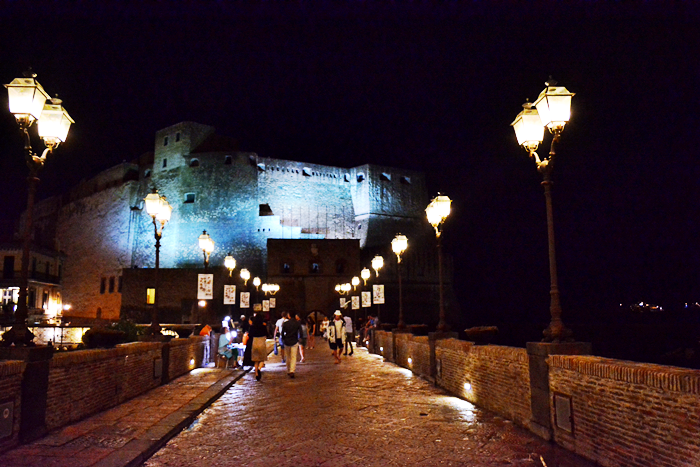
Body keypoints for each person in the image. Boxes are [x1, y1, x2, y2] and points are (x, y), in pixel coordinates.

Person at [281, 312, 302, 378]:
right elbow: (300, 332)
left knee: (288, 356)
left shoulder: (285, 323)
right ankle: (292, 370)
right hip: (294, 341)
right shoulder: (297, 323)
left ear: (289, 316)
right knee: (293, 357)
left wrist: (284, 339)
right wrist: (299, 338)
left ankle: (288, 370)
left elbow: (282, 333)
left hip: (287, 341)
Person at [249, 311, 268, 381]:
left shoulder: (252, 326)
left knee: (256, 360)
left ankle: (256, 373)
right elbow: (267, 334)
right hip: (261, 342)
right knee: (262, 359)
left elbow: (250, 334)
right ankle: (259, 369)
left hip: (255, 342)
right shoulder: (263, 326)